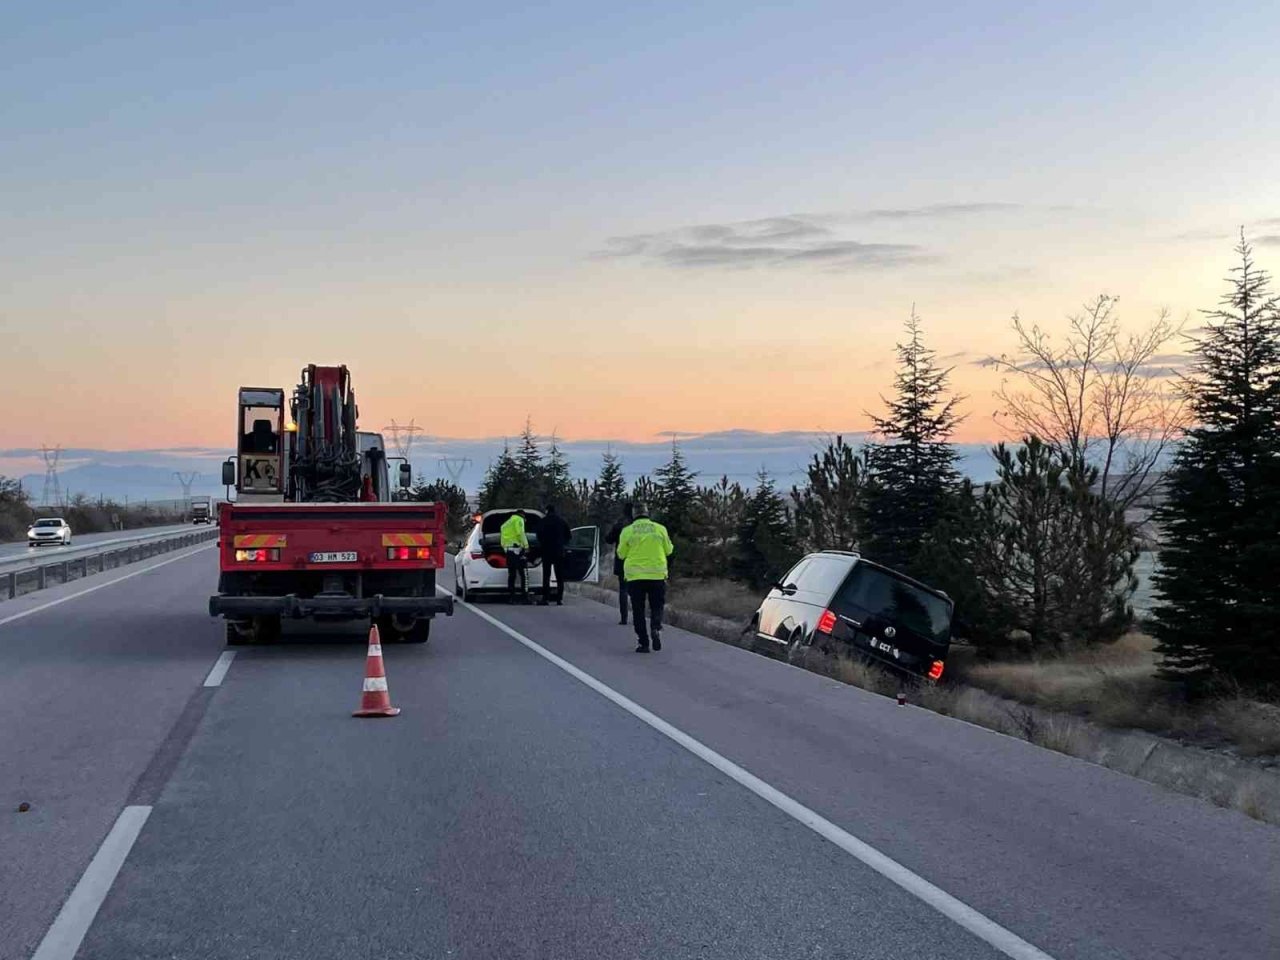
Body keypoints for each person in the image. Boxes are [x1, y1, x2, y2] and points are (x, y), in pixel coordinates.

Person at [616, 502, 673, 653]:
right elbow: (669, 550)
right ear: (648, 513)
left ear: (634, 514)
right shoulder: (660, 529)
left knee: (638, 610)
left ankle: (643, 643)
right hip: (657, 574)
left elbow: (621, 554)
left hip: (635, 576)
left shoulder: (627, 531)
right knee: (657, 606)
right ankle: (655, 626)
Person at [536, 504, 572, 605]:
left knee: (546, 576)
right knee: (560, 576)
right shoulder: (561, 521)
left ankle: (545, 598)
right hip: (559, 551)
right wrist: (562, 543)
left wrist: (542, 543)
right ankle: (559, 599)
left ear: (547, 510)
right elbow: (569, 536)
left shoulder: (543, 521)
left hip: (546, 551)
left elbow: (538, 535)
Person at [604, 503, 634, 625]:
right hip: (638, 560)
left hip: (622, 560)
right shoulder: (638, 525)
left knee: (623, 589)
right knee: (638, 589)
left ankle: (624, 617)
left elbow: (608, 539)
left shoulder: (619, 524)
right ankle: (638, 614)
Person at [500, 511, 530, 603]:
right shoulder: (519, 520)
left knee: (512, 575)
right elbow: (520, 533)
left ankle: (511, 597)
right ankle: (524, 597)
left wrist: (505, 548)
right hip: (518, 550)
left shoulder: (506, 524)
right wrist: (526, 545)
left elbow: (502, 540)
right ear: (523, 515)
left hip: (509, 551)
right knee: (524, 574)